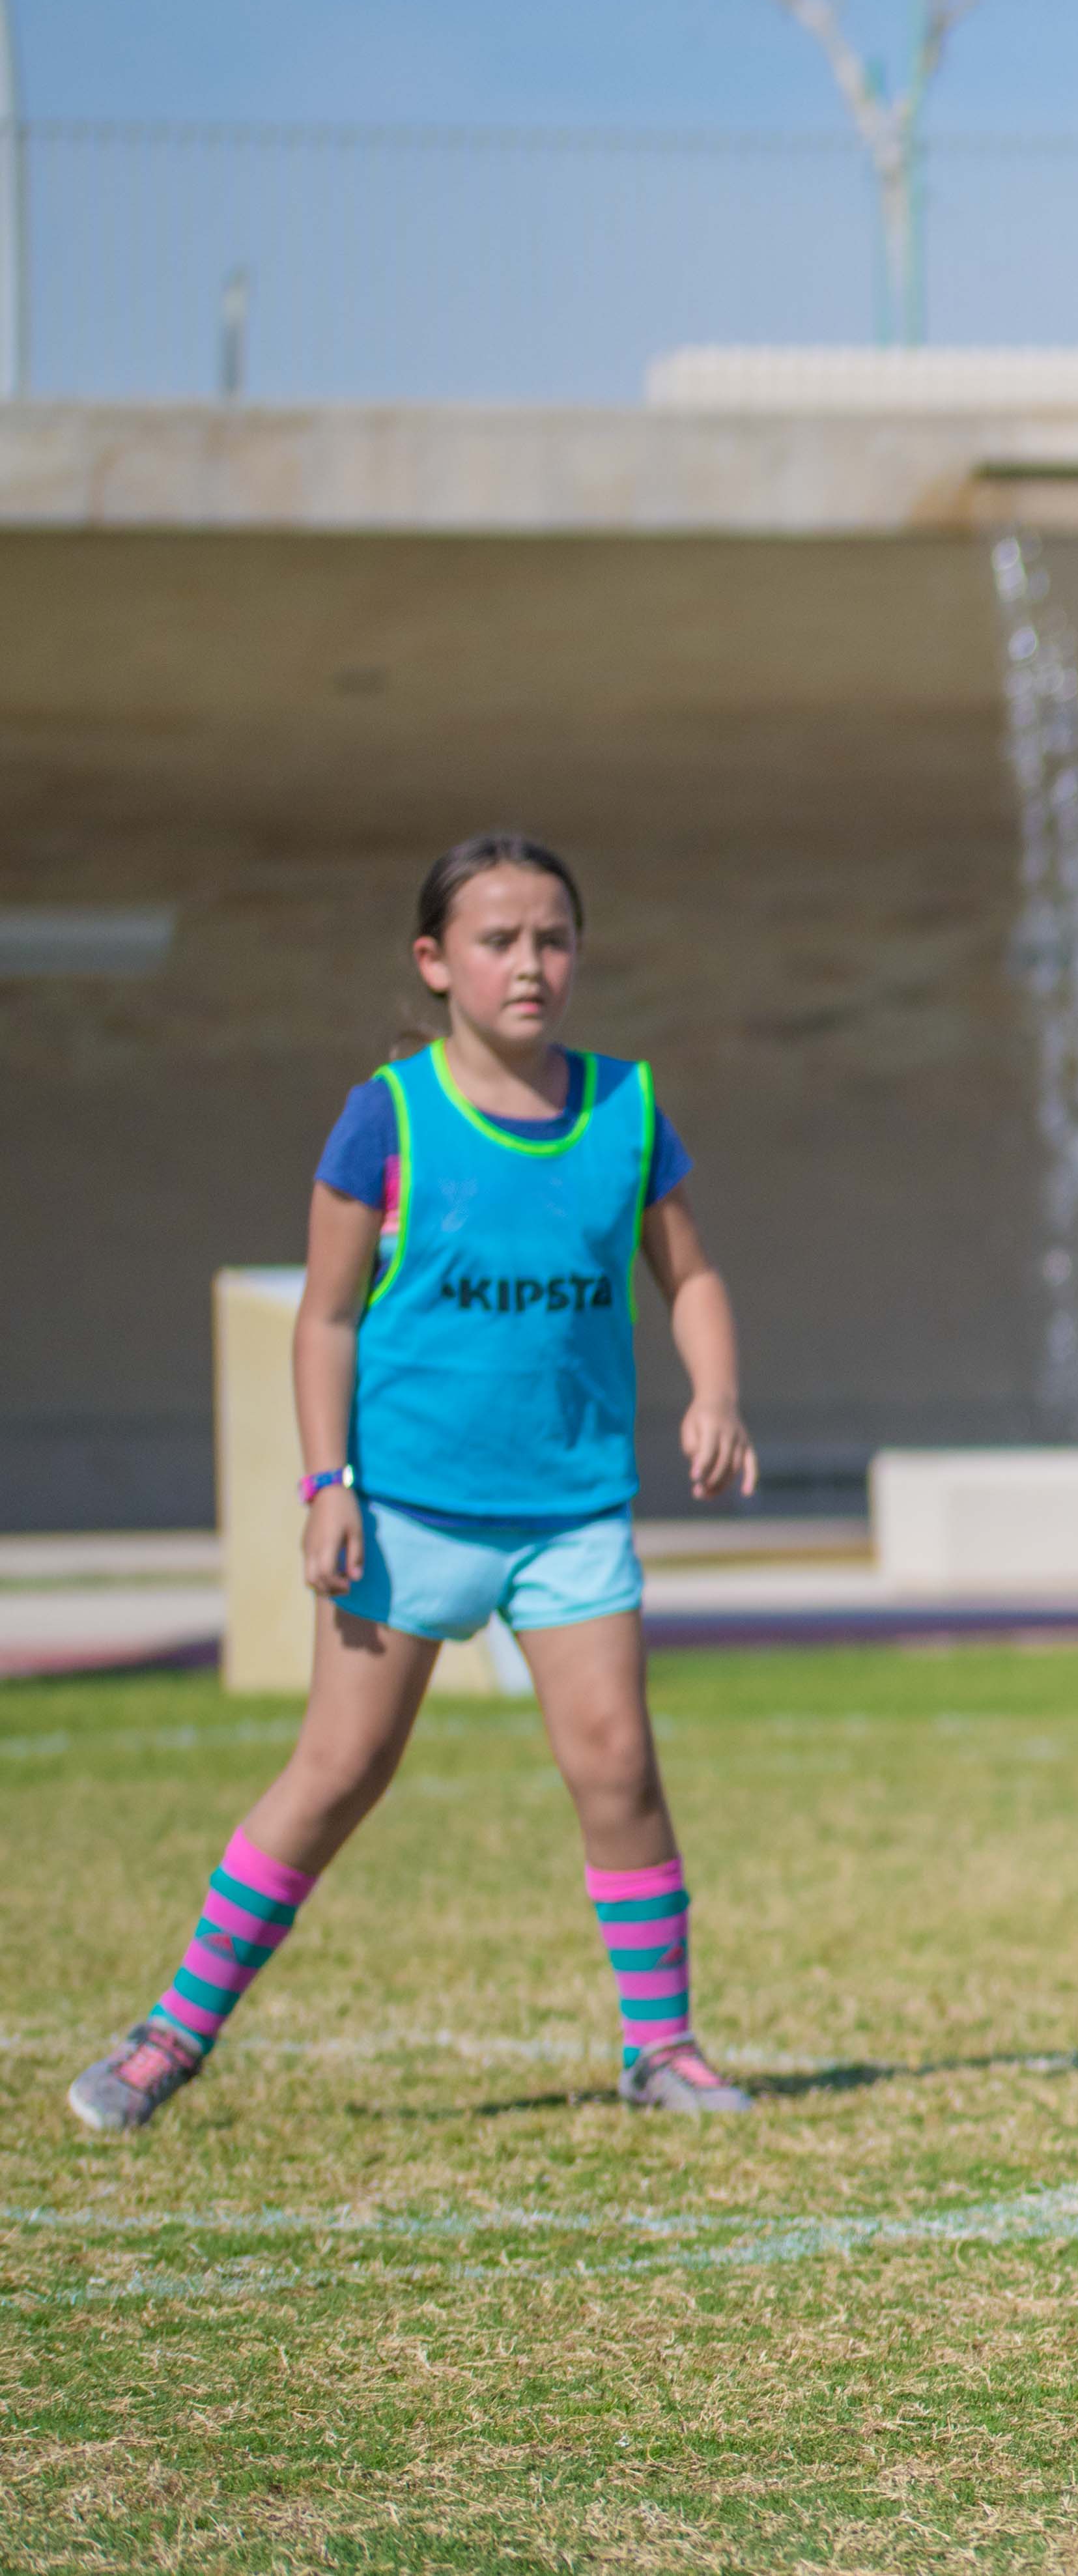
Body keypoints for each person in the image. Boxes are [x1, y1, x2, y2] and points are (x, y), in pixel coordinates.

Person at [66, 835, 761, 2134]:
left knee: (619, 1766)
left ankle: (661, 2047)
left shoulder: (627, 1108)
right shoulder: (385, 1115)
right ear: (435, 961)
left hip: (571, 1518)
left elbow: (694, 1276)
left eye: (553, 938)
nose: (530, 964)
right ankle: (171, 2034)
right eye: (499, 941)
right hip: (403, 1515)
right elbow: (326, 1317)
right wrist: (327, 1482)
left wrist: (714, 1391)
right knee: (338, 1770)